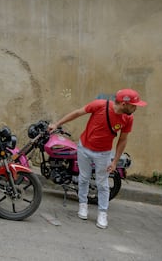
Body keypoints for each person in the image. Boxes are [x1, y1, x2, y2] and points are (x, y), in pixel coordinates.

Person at [48, 89, 147, 229]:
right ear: (124, 104)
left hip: (103, 154)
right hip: (84, 148)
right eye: (134, 105)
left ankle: (102, 213)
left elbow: (123, 140)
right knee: (83, 178)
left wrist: (114, 161)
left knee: (102, 183)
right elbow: (77, 112)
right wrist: (57, 124)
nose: (136, 107)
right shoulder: (100, 105)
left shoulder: (128, 118)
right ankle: (83, 205)